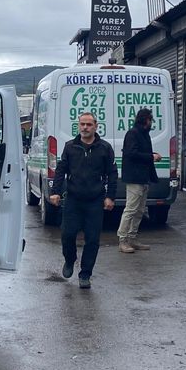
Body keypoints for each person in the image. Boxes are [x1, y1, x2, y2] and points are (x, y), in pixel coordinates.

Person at [50, 112, 117, 289]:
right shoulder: (70, 147)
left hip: (95, 201)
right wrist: (55, 192)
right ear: (78, 126)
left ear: (96, 125)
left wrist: (110, 196)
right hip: (73, 199)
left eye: (88, 124)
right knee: (67, 234)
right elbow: (60, 170)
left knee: (93, 239)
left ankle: (85, 274)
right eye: (82, 124)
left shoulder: (105, 148)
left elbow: (112, 174)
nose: (85, 128)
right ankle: (70, 260)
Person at [117, 108, 161, 253]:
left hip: (143, 177)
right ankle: (122, 239)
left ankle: (132, 238)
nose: (151, 122)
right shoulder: (133, 133)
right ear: (145, 119)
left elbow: (140, 152)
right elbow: (131, 153)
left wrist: (152, 155)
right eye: (150, 119)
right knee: (130, 209)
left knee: (140, 210)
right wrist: (151, 157)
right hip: (135, 177)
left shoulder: (143, 134)